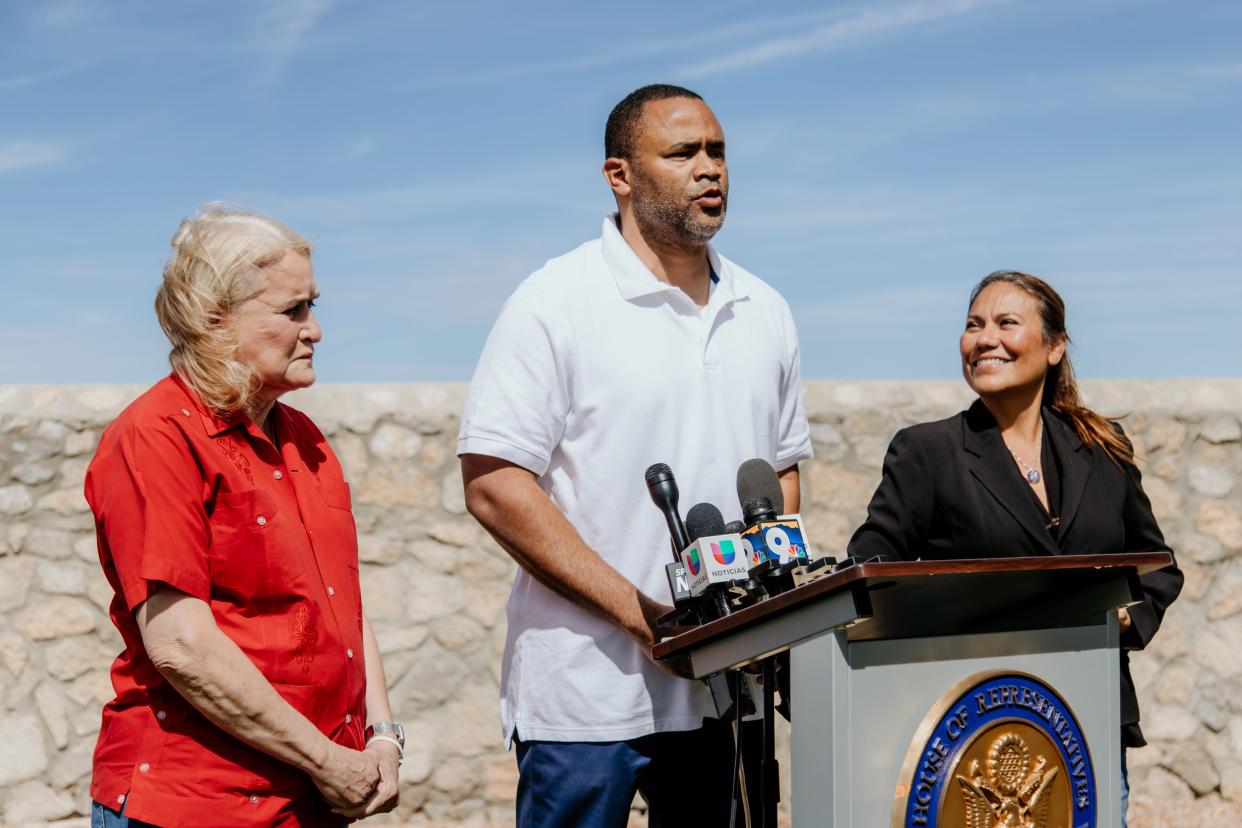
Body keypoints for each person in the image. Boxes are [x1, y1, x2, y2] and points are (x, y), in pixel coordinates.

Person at [458, 84, 812, 826]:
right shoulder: (554, 301)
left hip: (726, 692)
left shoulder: (765, 309)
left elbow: (781, 472)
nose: (709, 168)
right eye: (683, 153)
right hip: (586, 699)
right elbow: (494, 483)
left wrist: (751, 620)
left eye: (717, 151)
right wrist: (642, 616)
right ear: (619, 175)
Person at [85, 206, 404, 826]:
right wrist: (329, 761)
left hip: (310, 796)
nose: (315, 330)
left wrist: (383, 736)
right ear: (213, 320)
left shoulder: (303, 436)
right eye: (293, 311)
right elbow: (182, 644)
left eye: (313, 305)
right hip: (199, 802)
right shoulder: (155, 436)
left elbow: (345, 605)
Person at [847, 269, 1183, 827]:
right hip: (970, 728)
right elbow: (871, 571)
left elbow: (1158, 568)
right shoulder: (926, 453)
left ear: (1054, 346)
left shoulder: (1104, 448)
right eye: (973, 325)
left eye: (1006, 323)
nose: (984, 339)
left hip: (1087, 722)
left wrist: (1123, 620)